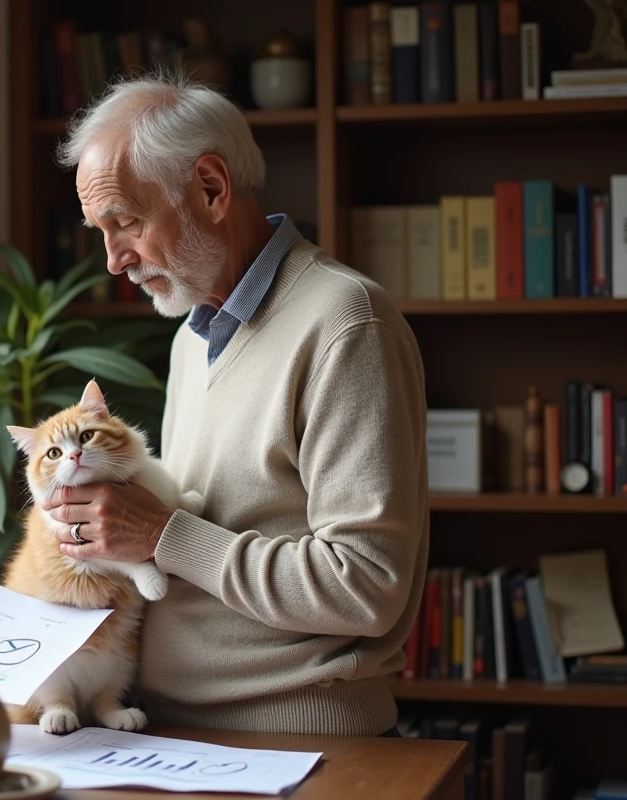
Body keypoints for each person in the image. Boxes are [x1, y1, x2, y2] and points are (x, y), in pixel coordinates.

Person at [39, 73, 429, 737]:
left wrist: (161, 533)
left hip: (291, 738)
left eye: (125, 222)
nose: (112, 260)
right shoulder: (193, 332)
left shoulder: (344, 324)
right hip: (163, 730)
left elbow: (365, 585)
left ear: (211, 190)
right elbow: (195, 536)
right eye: (99, 230)